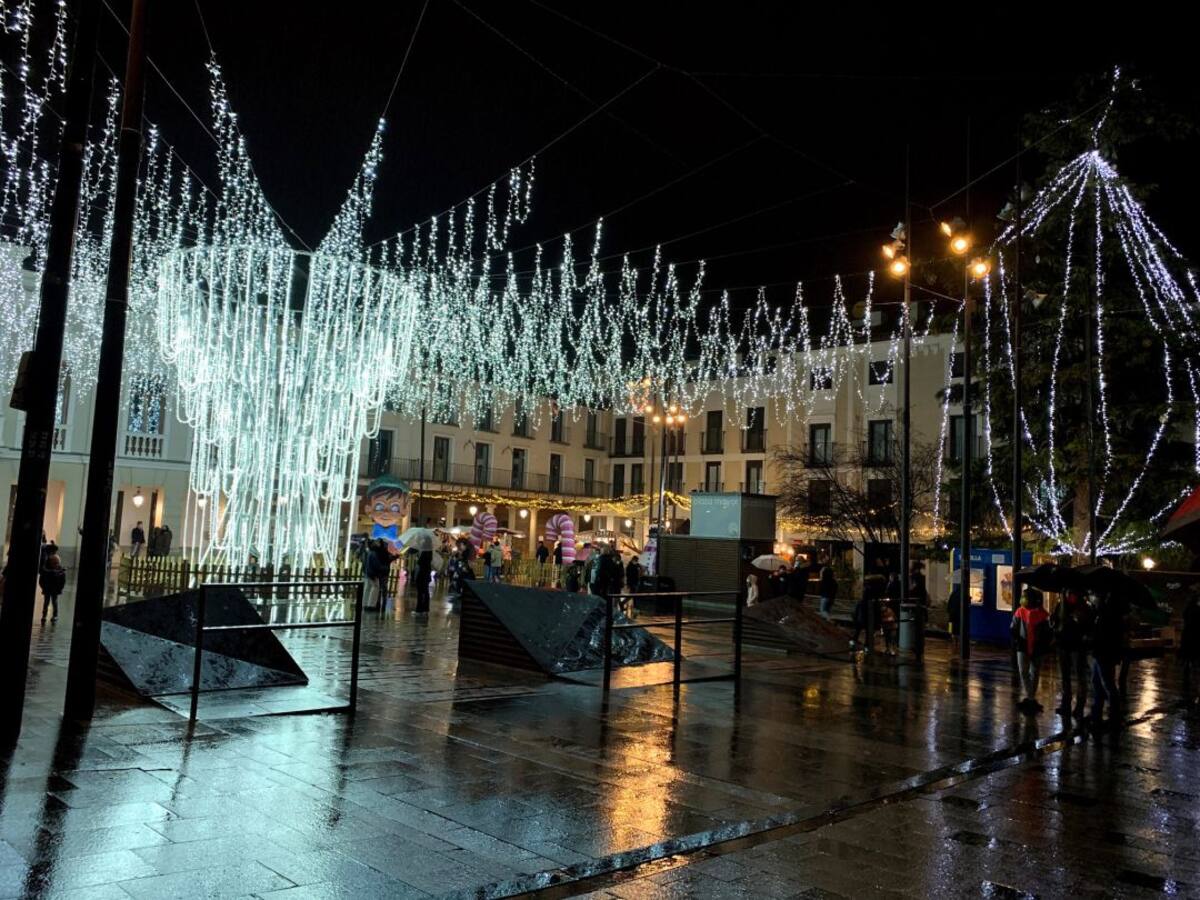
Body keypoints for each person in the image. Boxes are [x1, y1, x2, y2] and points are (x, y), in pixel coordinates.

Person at [1051, 589, 1093, 720]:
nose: (1069, 595)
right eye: (1068, 593)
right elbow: (1056, 621)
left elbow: (1088, 626)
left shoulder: (1084, 607)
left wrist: (1078, 622)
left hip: (1077, 646)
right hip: (1063, 644)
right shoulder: (1061, 605)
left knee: (1080, 676)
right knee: (1065, 676)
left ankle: (1079, 706)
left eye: (1072, 593)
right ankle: (1066, 705)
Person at [1090, 591, 1128, 732]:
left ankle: (1113, 716)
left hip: (1104, 653)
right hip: (1102, 653)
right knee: (1099, 683)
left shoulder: (1107, 615)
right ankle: (1099, 715)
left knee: (1107, 685)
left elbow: (1103, 635)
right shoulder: (1106, 614)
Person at [1011, 588, 1052, 712]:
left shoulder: (1043, 615)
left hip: (1036, 648)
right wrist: (1018, 640)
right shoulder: (1020, 611)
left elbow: (1047, 633)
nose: (1023, 599)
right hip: (1023, 647)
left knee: (1034, 672)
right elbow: (1013, 628)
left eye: (1025, 597)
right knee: (1024, 671)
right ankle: (1031, 697)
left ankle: (1030, 698)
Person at [1181, 590, 1200, 705]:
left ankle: (1186, 676)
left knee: (1187, 658)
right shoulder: (1197, 610)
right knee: (1194, 658)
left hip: (1187, 635)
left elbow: (1185, 620)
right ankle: (1193, 676)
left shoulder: (1187, 609)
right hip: (1195, 636)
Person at [39, 553, 66, 624]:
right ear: (51, 563)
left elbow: (62, 582)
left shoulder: (60, 571)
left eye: (57, 563)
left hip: (54, 590)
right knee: (47, 602)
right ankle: (45, 615)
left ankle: (54, 615)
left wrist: (60, 588)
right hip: (48, 589)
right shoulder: (47, 570)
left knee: (54, 602)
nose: (56, 564)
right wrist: (44, 587)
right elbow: (41, 581)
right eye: (54, 563)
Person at [946, 579, 962, 656]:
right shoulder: (962, 593)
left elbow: (949, 603)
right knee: (959, 628)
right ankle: (957, 643)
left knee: (954, 628)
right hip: (959, 614)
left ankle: (955, 642)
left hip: (953, 614)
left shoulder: (954, 593)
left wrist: (949, 612)